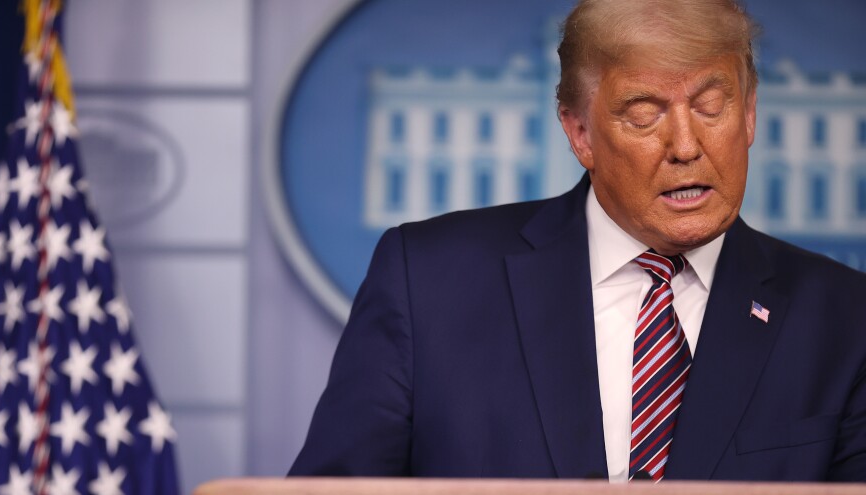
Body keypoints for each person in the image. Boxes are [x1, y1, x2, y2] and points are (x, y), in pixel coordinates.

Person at [289, 0, 866, 481]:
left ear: (751, 114)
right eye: (645, 115)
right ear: (579, 132)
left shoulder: (844, 318)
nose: (687, 145)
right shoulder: (429, 282)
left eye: (712, 107)